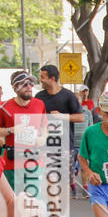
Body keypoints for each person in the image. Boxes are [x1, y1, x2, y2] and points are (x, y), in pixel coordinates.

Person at [0, 71, 47, 217]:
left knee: (34, 200)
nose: (29, 87)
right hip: (12, 162)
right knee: (14, 202)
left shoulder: (39, 104)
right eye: (25, 84)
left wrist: (41, 139)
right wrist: (11, 130)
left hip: (34, 161)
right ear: (15, 87)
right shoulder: (4, 107)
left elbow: (45, 128)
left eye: (31, 84)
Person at [38, 63, 84, 206]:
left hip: (64, 146)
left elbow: (80, 117)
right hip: (45, 145)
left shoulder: (68, 95)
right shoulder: (39, 97)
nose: (40, 80)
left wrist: (63, 117)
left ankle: (60, 211)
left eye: (42, 77)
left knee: (63, 181)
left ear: (52, 79)